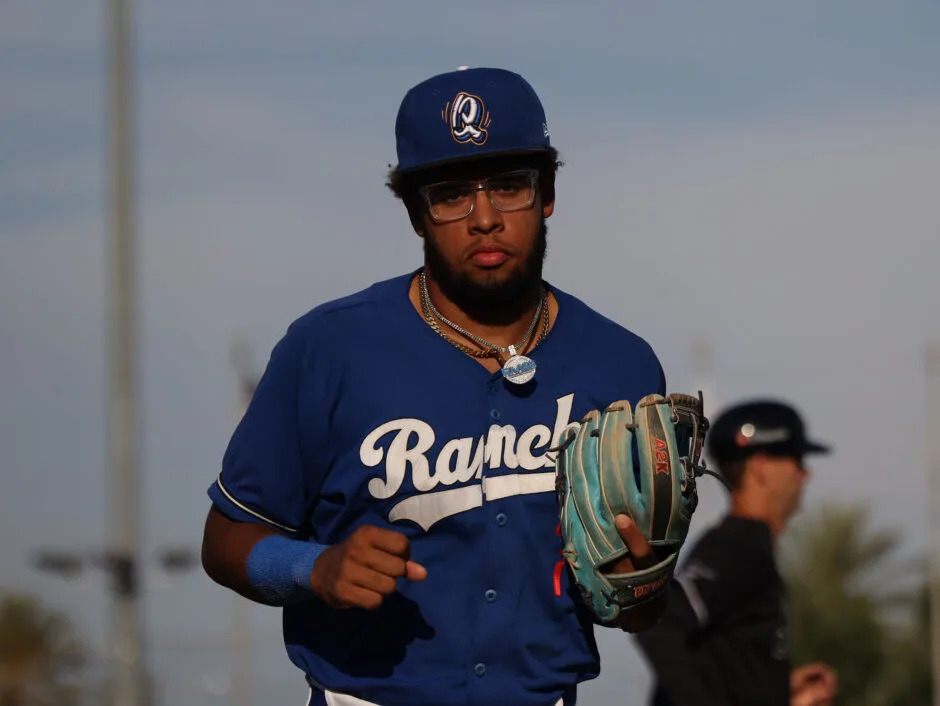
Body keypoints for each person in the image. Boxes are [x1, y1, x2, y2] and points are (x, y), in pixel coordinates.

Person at [200, 66, 670, 706]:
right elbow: (227, 541)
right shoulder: (329, 350)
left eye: (509, 186)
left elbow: (634, 611)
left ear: (549, 192)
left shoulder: (621, 366)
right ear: (415, 213)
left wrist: (639, 588)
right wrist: (314, 567)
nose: (484, 218)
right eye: (451, 194)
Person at [635, 400, 840, 706]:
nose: (804, 474)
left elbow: (723, 663)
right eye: (796, 460)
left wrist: (779, 692)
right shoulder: (735, 549)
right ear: (760, 466)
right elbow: (662, 624)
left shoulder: (746, 546)